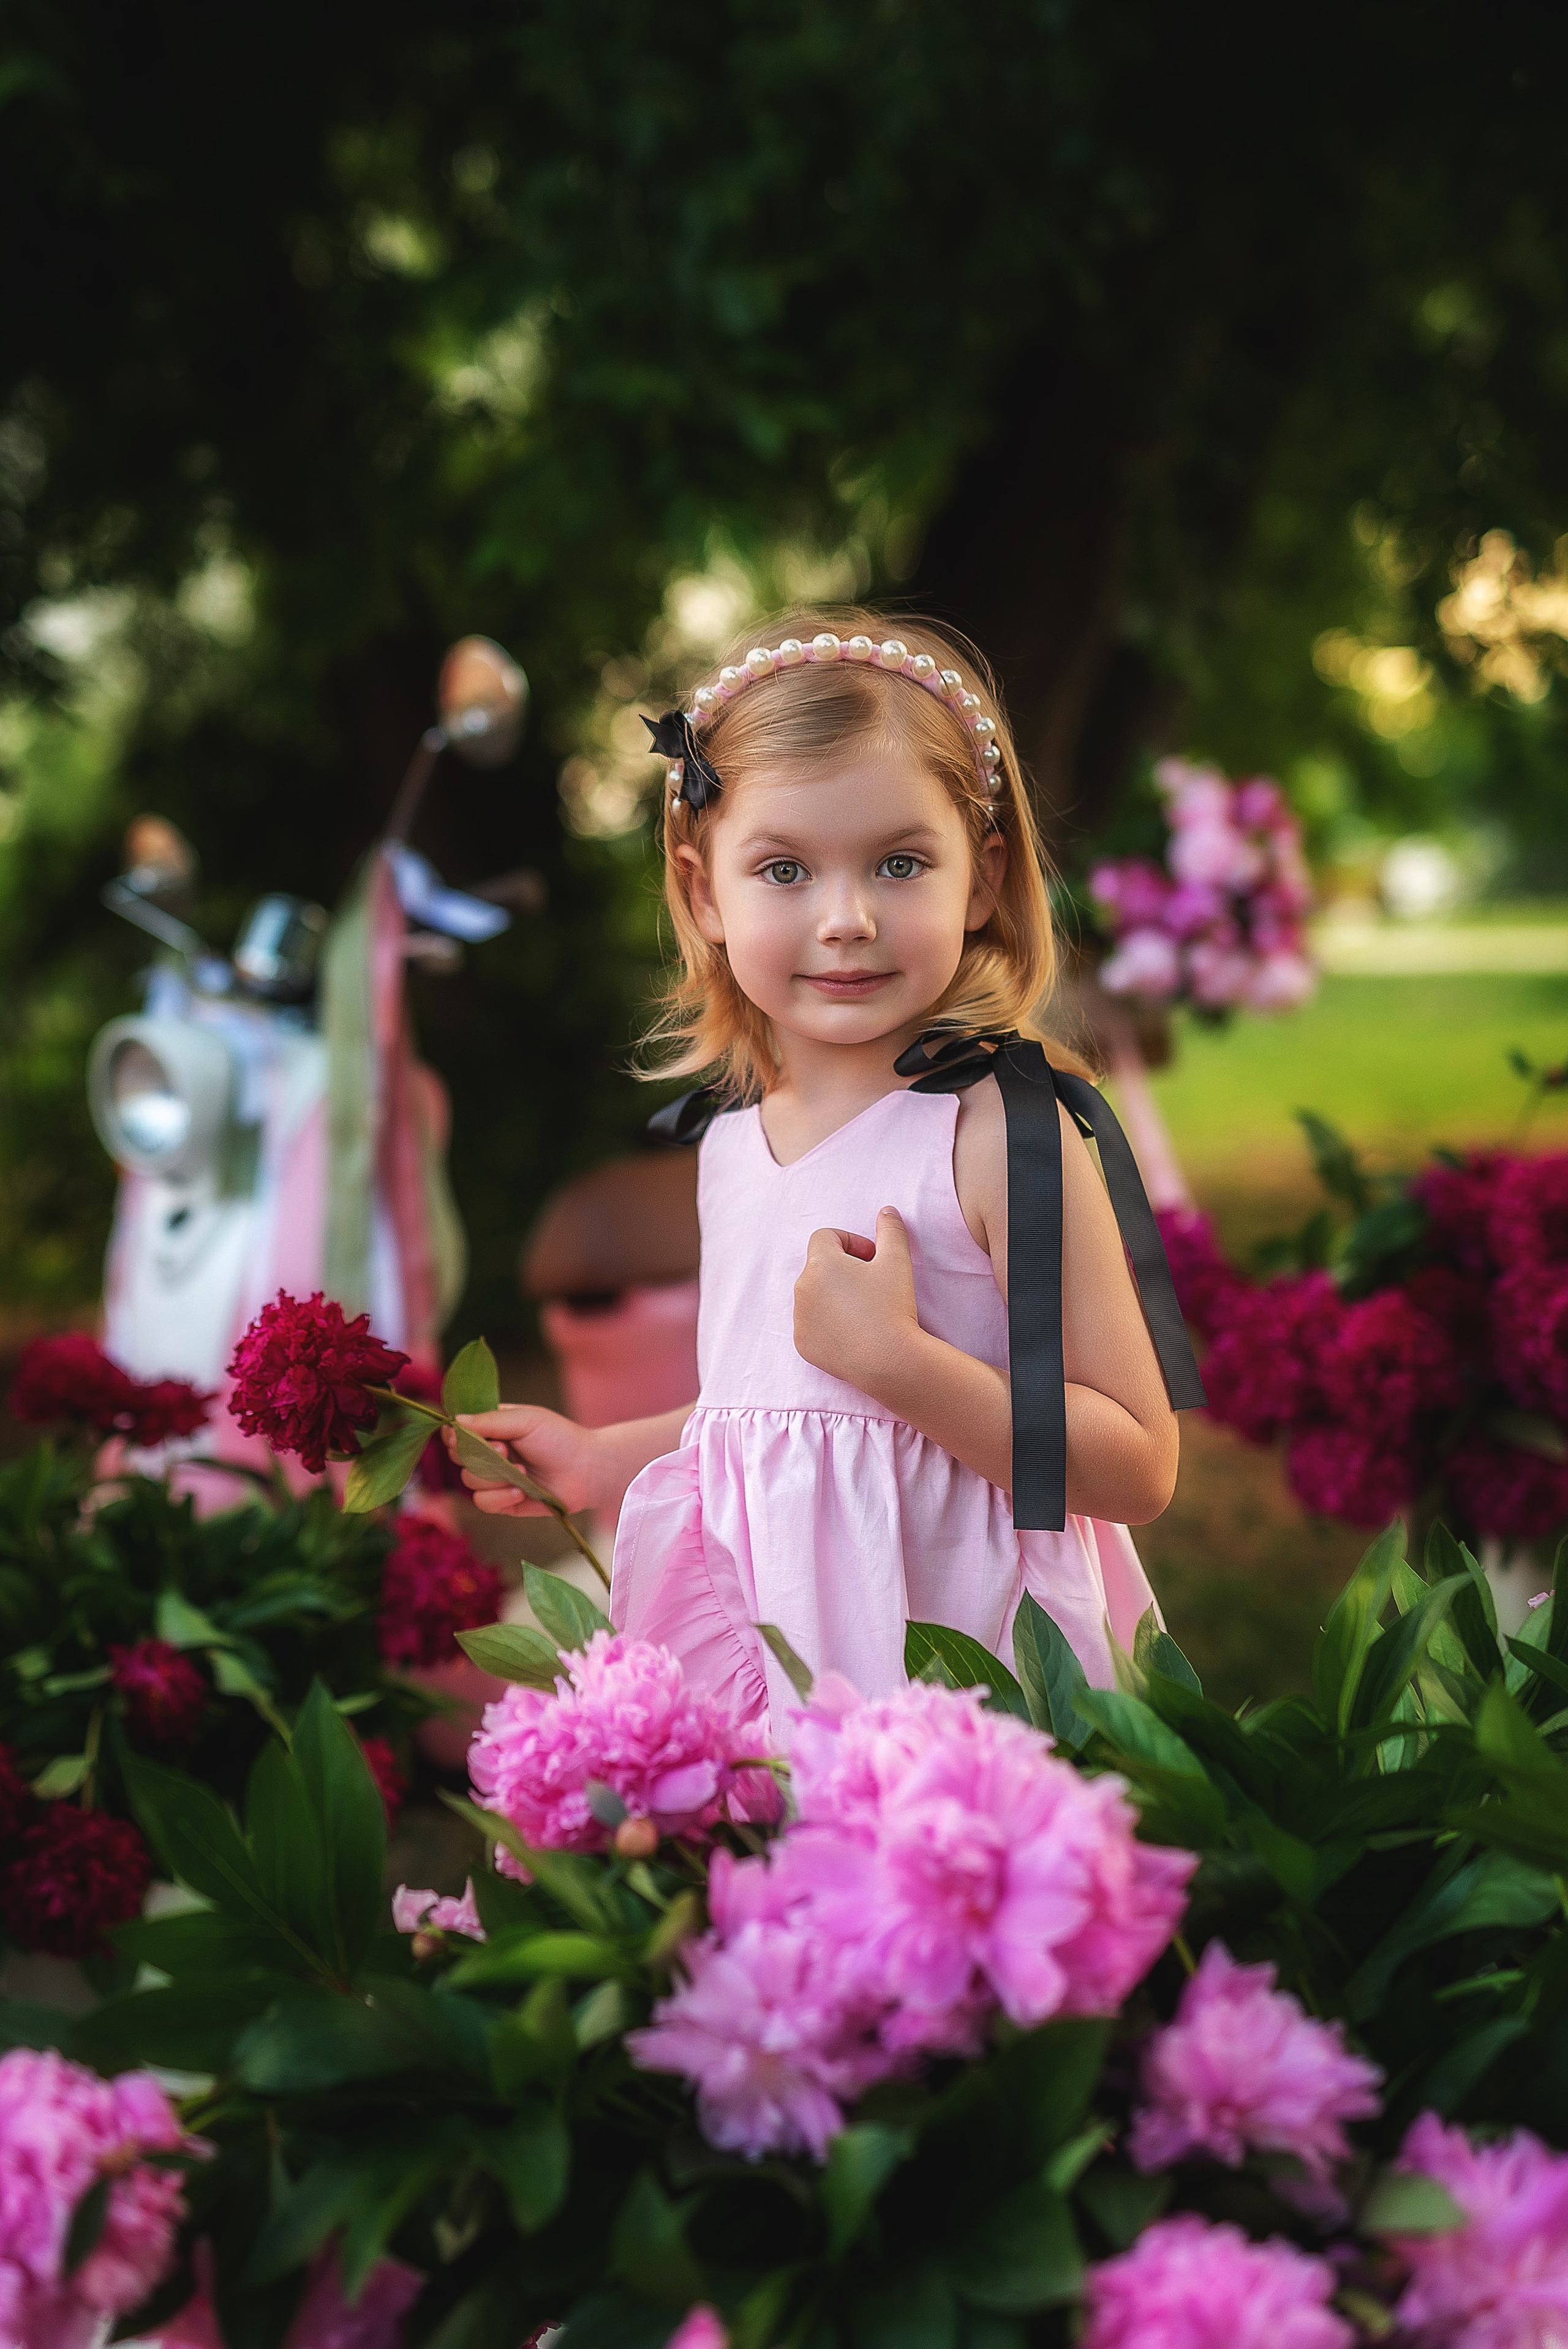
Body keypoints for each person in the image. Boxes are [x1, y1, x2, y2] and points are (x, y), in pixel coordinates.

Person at [448, 608, 1203, 1740]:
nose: (847, 919)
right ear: (705, 893)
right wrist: (603, 1457)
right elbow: (772, 1416)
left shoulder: (999, 1133)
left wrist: (901, 1362)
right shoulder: (732, 1148)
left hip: (965, 1675)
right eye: (785, 869)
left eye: (900, 863)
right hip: (789, 1655)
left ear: (983, 877)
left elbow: (1138, 1465)